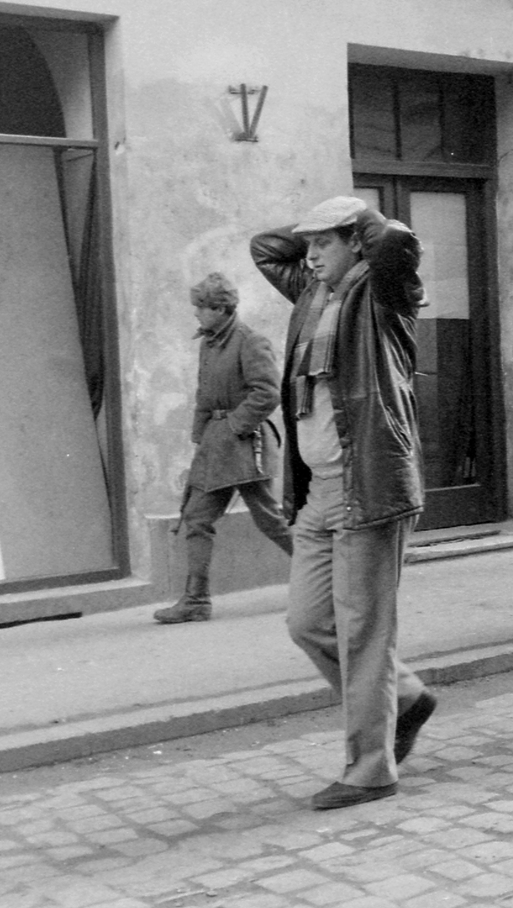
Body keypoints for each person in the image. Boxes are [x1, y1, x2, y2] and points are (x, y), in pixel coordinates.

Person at [251, 196, 437, 811]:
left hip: (369, 489)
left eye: (323, 244)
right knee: (307, 623)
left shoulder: (384, 296)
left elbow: (396, 243)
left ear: (357, 241)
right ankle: (404, 697)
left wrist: (357, 220)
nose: (308, 256)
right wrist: (318, 225)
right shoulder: (313, 294)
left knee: (363, 635)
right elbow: (264, 247)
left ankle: (370, 768)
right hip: (318, 496)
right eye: (308, 246)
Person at [155, 273, 295, 624]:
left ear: (221, 308)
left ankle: (329, 577)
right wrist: (201, 437)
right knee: (198, 518)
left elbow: (267, 393)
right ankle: (196, 601)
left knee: (270, 520)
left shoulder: (250, 341)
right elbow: (205, 395)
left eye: (201, 308)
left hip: (248, 445)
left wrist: (234, 427)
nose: (196, 315)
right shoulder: (209, 342)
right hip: (217, 445)